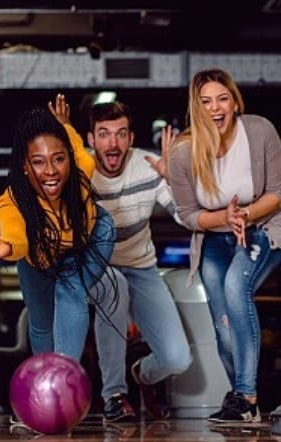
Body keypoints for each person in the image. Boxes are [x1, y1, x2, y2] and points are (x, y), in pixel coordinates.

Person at [49, 95, 192, 421]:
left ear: (130, 138)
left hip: (141, 267)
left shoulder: (149, 165)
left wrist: (174, 179)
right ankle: (114, 394)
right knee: (115, 286)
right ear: (90, 140)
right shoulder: (79, 168)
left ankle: (142, 374)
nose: (112, 143)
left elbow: (186, 218)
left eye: (120, 133)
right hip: (97, 266)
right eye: (103, 134)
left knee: (177, 359)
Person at [167, 68, 281, 423]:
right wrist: (224, 218)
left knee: (238, 289)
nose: (215, 108)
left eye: (222, 99)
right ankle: (241, 395)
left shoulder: (260, 131)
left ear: (235, 102)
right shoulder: (182, 152)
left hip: (262, 230)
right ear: (196, 109)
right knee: (222, 326)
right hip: (215, 239)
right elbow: (188, 214)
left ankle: (247, 396)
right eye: (205, 102)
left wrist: (245, 216)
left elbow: (276, 195)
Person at [0, 106, 116, 364]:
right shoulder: (12, 200)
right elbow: (15, 235)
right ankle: (45, 376)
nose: (51, 171)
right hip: (37, 260)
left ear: (69, 158)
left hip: (78, 249)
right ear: (24, 165)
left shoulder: (82, 168)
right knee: (42, 324)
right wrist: (6, 246)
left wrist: (65, 124)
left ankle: (64, 374)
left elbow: (74, 143)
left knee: (71, 288)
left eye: (58, 159)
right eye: (39, 162)